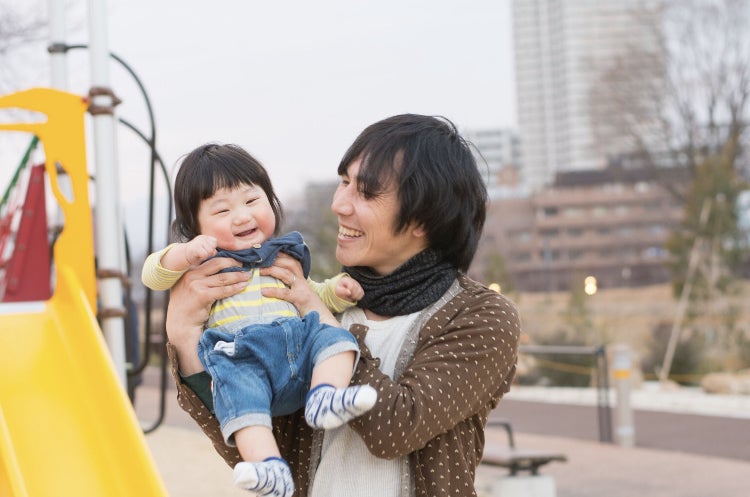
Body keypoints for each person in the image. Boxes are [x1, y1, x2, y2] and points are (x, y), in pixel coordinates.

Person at [165, 115, 521, 497]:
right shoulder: (317, 300)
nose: (339, 204)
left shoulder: (479, 316)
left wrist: (316, 312)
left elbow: (395, 428)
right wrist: (184, 337)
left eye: (365, 192)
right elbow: (258, 445)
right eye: (344, 182)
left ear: (423, 217)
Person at [142, 143, 376, 496]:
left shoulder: (282, 256)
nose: (242, 216)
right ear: (195, 226)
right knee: (238, 397)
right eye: (222, 210)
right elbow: (152, 274)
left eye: (252, 201)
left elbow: (308, 293)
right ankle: (268, 466)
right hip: (245, 358)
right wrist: (186, 253)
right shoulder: (203, 264)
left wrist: (335, 291)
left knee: (335, 337)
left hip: (297, 350)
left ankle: (325, 395)